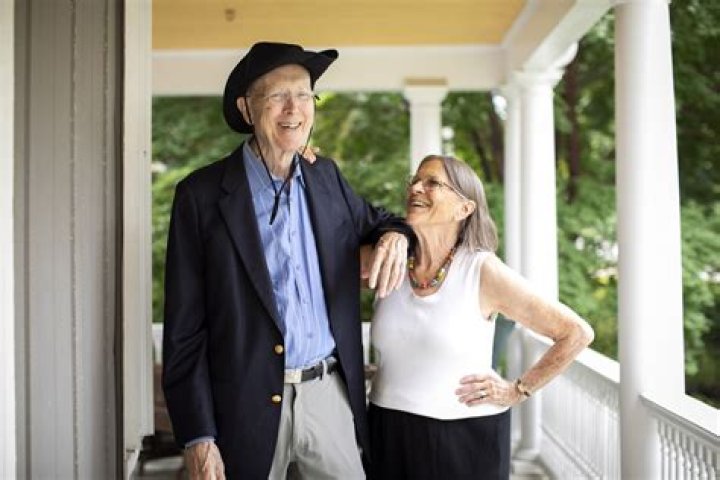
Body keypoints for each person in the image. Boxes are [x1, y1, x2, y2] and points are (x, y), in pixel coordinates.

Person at [162, 41, 414, 480]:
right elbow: (184, 330)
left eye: (304, 95)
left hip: (328, 392)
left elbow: (382, 221)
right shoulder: (200, 196)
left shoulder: (326, 177)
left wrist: (396, 236)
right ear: (247, 109)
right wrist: (198, 435)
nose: (294, 109)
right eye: (278, 95)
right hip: (241, 405)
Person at [367, 154, 595, 479]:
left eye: (432, 183)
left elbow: (576, 333)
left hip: (464, 438)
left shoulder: (481, 269)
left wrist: (517, 390)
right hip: (387, 429)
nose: (416, 188)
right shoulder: (392, 259)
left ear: (464, 208)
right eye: (414, 181)